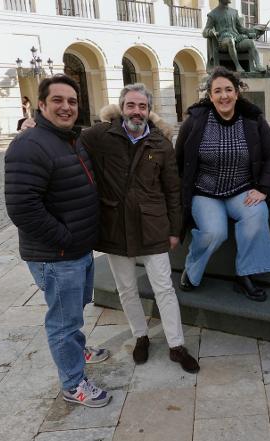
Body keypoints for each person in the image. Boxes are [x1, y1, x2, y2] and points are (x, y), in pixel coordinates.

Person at [5, 75, 111, 408]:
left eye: (72, 101)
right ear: (41, 105)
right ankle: (73, 383)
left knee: (74, 311)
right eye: (58, 101)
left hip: (75, 249)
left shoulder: (69, 139)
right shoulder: (29, 145)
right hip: (57, 254)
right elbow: (22, 208)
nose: (66, 107)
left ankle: (76, 351)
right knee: (63, 322)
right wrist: (64, 239)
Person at [79, 84, 200, 374]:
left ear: (149, 110)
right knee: (127, 289)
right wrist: (31, 127)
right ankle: (140, 336)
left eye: (142, 106)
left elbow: (173, 190)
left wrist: (174, 230)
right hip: (115, 227)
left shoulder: (161, 143)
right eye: (131, 105)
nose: (136, 111)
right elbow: (69, 138)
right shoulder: (100, 136)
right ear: (122, 108)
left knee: (164, 288)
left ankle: (176, 345)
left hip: (153, 226)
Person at [176, 66, 270, 301]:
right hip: (205, 193)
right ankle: (191, 271)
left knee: (256, 215)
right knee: (215, 232)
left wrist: (263, 188)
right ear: (210, 96)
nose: (224, 96)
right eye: (218, 91)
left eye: (229, 90)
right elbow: (179, 160)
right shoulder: (195, 122)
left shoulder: (253, 120)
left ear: (237, 93)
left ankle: (245, 275)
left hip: (241, 190)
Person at [202, 0, 267, 73]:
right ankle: (238, 66)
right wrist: (210, 32)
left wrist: (255, 30)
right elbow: (204, 32)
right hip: (222, 42)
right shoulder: (213, 14)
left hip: (236, 39)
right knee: (230, 41)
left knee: (251, 43)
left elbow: (241, 29)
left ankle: (258, 65)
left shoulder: (234, 12)